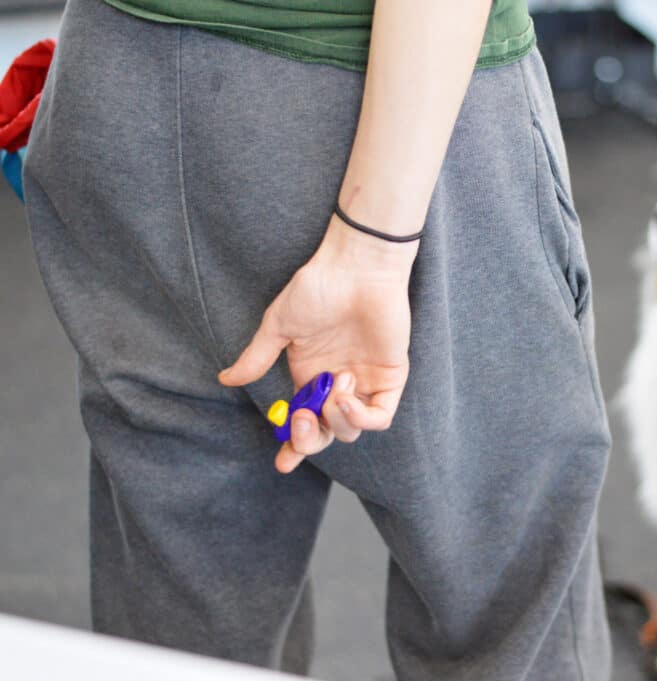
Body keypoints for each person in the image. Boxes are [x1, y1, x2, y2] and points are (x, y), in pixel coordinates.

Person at [22, 0, 613, 679]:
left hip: (120, 82)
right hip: (366, 96)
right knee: (507, 605)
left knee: (180, 631)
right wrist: (375, 244)